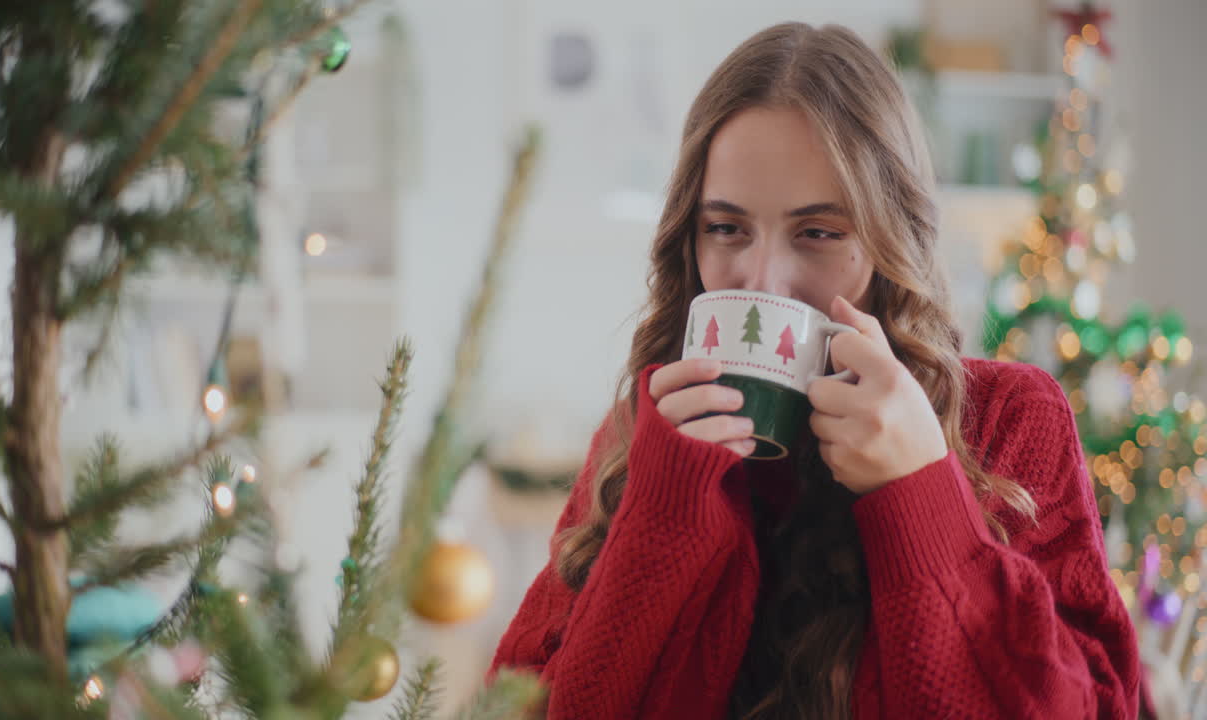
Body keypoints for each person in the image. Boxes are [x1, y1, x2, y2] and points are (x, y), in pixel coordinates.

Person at [489, 21, 1141, 720]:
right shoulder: (639, 436)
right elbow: (522, 707)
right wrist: (665, 515)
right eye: (726, 228)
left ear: (891, 239)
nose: (762, 281)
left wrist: (923, 493)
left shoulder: (1010, 418)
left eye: (819, 233)